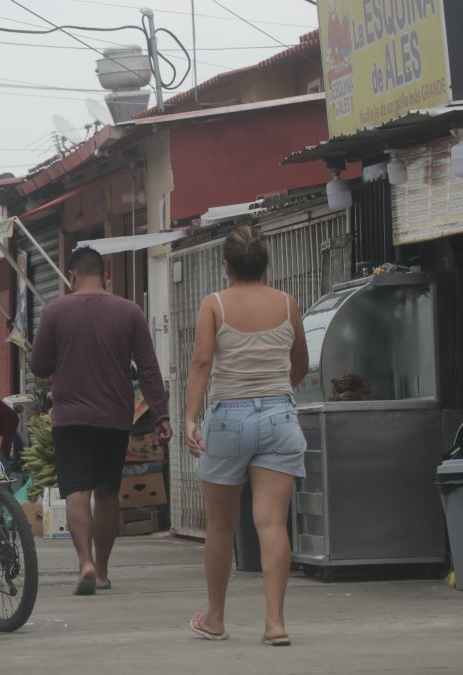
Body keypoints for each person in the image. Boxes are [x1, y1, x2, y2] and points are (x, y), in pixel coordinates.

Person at [184, 224, 308, 646]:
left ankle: (215, 618)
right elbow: (300, 365)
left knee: (221, 525)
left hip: (228, 419)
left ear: (226, 266)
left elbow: (202, 364)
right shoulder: (288, 303)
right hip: (280, 416)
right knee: (272, 522)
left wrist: (188, 418)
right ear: (264, 263)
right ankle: (275, 623)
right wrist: (278, 392)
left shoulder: (214, 304)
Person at [30, 246, 172, 595]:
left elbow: (38, 366)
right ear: (105, 271)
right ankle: (104, 570)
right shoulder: (130, 312)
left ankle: (85, 563)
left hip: (70, 418)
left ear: (72, 273)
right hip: (114, 417)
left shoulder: (55, 311)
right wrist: (160, 414)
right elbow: (149, 367)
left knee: (76, 491)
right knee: (107, 493)